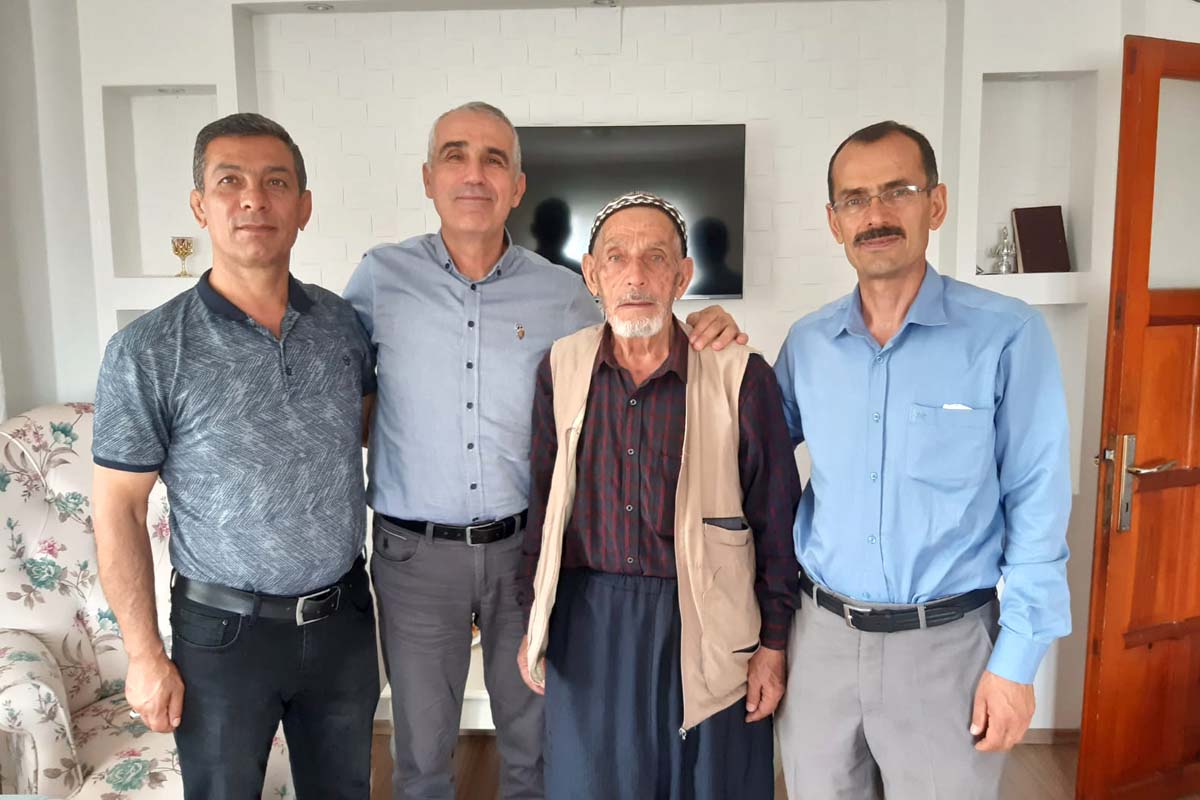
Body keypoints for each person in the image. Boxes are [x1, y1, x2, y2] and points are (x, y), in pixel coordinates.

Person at [342, 102, 744, 799]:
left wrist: (707, 320)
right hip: (414, 558)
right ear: (429, 177)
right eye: (456, 156)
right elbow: (345, 397)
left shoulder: (563, 293)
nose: (474, 173)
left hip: (524, 552)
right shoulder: (380, 278)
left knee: (534, 744)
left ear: (518, 185)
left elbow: (638, 339)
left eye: (494, 159)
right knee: (421, 754)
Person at [773, 120, 1072, 799]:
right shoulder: (807, 344)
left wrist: (1017, 662)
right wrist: (712, 350)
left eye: (897, 191)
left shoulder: (1006, 335)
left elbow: (1038, 503)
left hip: (948, 650)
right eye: (854, 199)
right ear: (833, 221)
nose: (875, 214)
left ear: (935, 204)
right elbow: (751, 462)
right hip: (820, 646)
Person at [92, 112, 379, 798]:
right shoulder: (148, 350)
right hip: (221, 637)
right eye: (230, 182)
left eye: (276, 182)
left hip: (341, 623)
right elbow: (118, 509)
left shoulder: (342, 325)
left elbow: (371, 431)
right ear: (200, 205)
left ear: (303, 207)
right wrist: (143, 654)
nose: (254, 199)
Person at [515, 191, 801, 798]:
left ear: (683, 276)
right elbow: (542, 505)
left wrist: (774, 643)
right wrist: (531, 617)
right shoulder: (561, 368)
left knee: (709, 784)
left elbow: (777, 520)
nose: (636, 275)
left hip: (707, 618)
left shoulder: (739, 373)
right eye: (616, 258)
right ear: (592, 275)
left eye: (656, 257)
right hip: (588, 622)